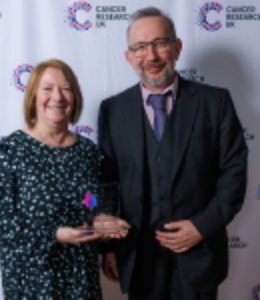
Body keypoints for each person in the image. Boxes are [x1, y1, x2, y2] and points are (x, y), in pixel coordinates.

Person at [98, 7, 248, 300]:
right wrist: (108, 247)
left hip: (199, 255)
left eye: (160, 43)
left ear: (177, 47)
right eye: (140, 47)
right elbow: (105, 185)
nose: (151, 56)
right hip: (139, 258)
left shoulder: (215, 103)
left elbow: (234, 173)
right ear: (129, 58)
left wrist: (201, 227)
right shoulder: (112, 110)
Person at [0, 59, 125, 300]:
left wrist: (100, 219)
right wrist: (54, 235)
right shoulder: (12, 149)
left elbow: (90, 201)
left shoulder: (88, 152)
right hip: (32, 279)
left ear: (75, 97)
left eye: (66, 88)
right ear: (33, 96)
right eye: (47, 88)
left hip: (81, 275)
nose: (57, 97)